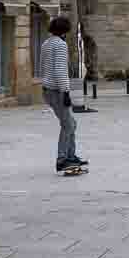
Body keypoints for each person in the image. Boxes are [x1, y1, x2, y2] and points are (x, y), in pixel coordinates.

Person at [40, 16, 88, 172]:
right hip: (57, 90)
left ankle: (71, 156)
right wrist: (66, 92)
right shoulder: (60, 45)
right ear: (65, 30)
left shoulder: (46, 43)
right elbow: (60, 70)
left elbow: (43, 66)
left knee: (70, 123)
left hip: (48, 89)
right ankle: (62, 159)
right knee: (68, 124)